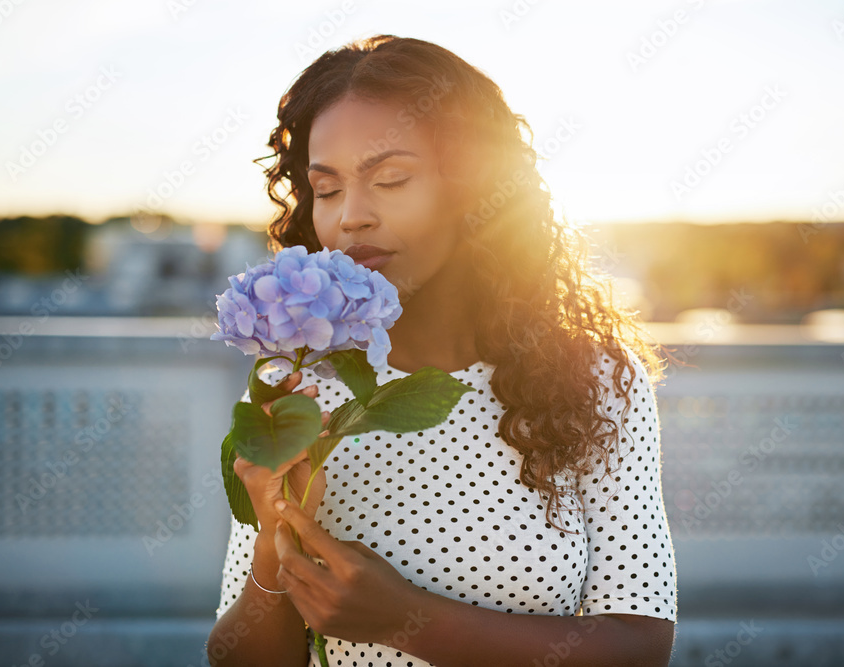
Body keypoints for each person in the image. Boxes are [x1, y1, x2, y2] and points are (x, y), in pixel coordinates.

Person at [207, 34, 676, 667]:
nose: (352, 217)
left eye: (391, 179)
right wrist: (275, 542)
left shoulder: (595, 381)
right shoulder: (295, 387)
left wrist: (409, 621)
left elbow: (639, 645)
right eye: (326, 189)